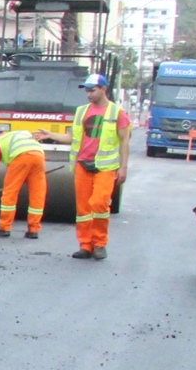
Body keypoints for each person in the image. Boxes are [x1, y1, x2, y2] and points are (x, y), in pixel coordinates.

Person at [38, 74, 128, 260]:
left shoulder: (116, 112)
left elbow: (124, 141)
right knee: (83, 209)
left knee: (99, 203)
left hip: (105, 167)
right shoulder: (81, 112)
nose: (88, 94)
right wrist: (51, 135)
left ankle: (100, 243)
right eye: (86, 90)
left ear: (103, 89)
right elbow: (72, 138)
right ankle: (86, 245)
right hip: (82, 165)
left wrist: (123, 167)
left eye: (92, 90)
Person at [0, 126, 48, 239]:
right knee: (37, 195)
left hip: (21, 158)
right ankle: (33, 230)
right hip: (39, 157)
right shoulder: (21, 133)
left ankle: (4, 228)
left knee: (10, 193)